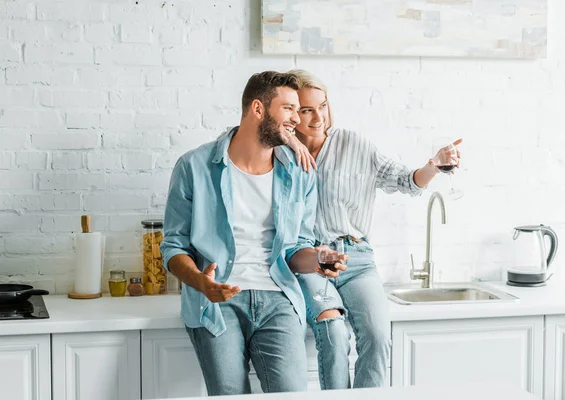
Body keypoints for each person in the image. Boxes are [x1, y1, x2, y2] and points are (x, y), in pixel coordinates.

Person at [160, 71, 341, 396]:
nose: (296, 119)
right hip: (218, 302)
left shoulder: (299, 173)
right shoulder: (194, 166)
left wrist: (318, 258)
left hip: (278, 300)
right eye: (288, 109)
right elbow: (173, 247)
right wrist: (202, 282)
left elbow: (296, 250)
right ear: (258, 109)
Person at [285, 69, 462, 390]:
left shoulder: (354, 144)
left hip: (356, 259)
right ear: (290, 113)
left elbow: (405, 181)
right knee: (335, 334)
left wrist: (433, 165)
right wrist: (285, 139)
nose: (317, 117)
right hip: (309, 262)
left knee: (379, 337)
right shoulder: (280, 155)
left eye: (322, 106)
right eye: (306, 110)